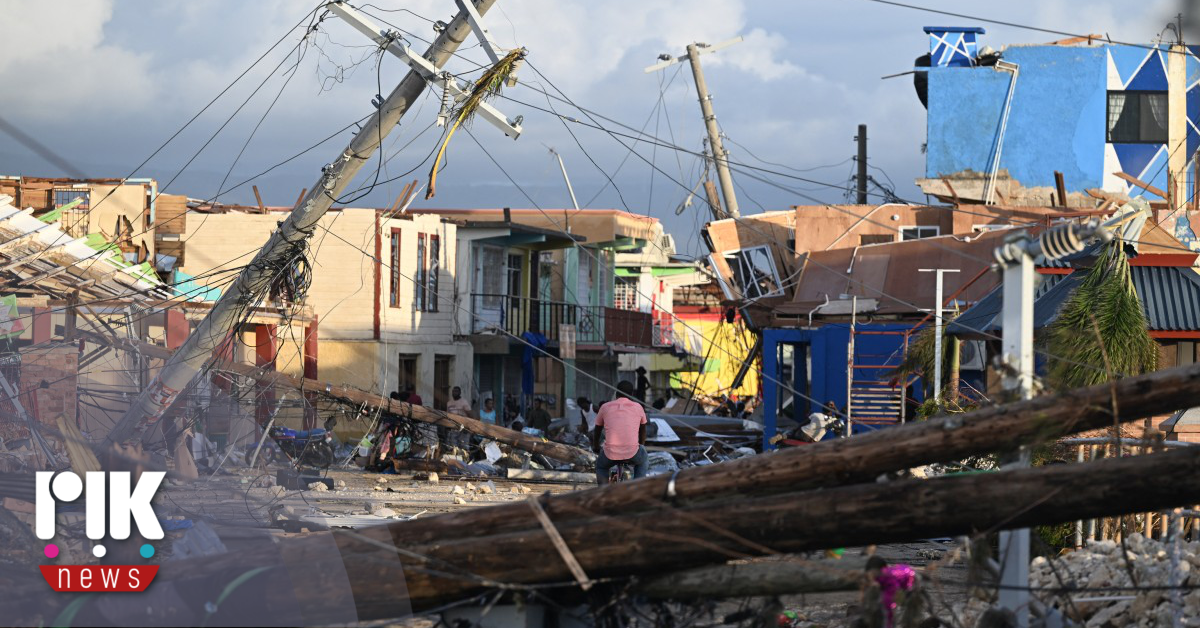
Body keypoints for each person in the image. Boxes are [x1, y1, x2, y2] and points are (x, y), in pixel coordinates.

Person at [592, 380, 648, 485]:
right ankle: (638, 487)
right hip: (633, 453)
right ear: (632, 394)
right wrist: (641, 445)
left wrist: (595, 446)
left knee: (601, 466)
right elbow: (643, 429)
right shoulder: (638, 407)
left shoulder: (605, 407)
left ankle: (602, 493)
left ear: (616, 393)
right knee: (643, 460)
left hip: (610, 454)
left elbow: (597, 429)